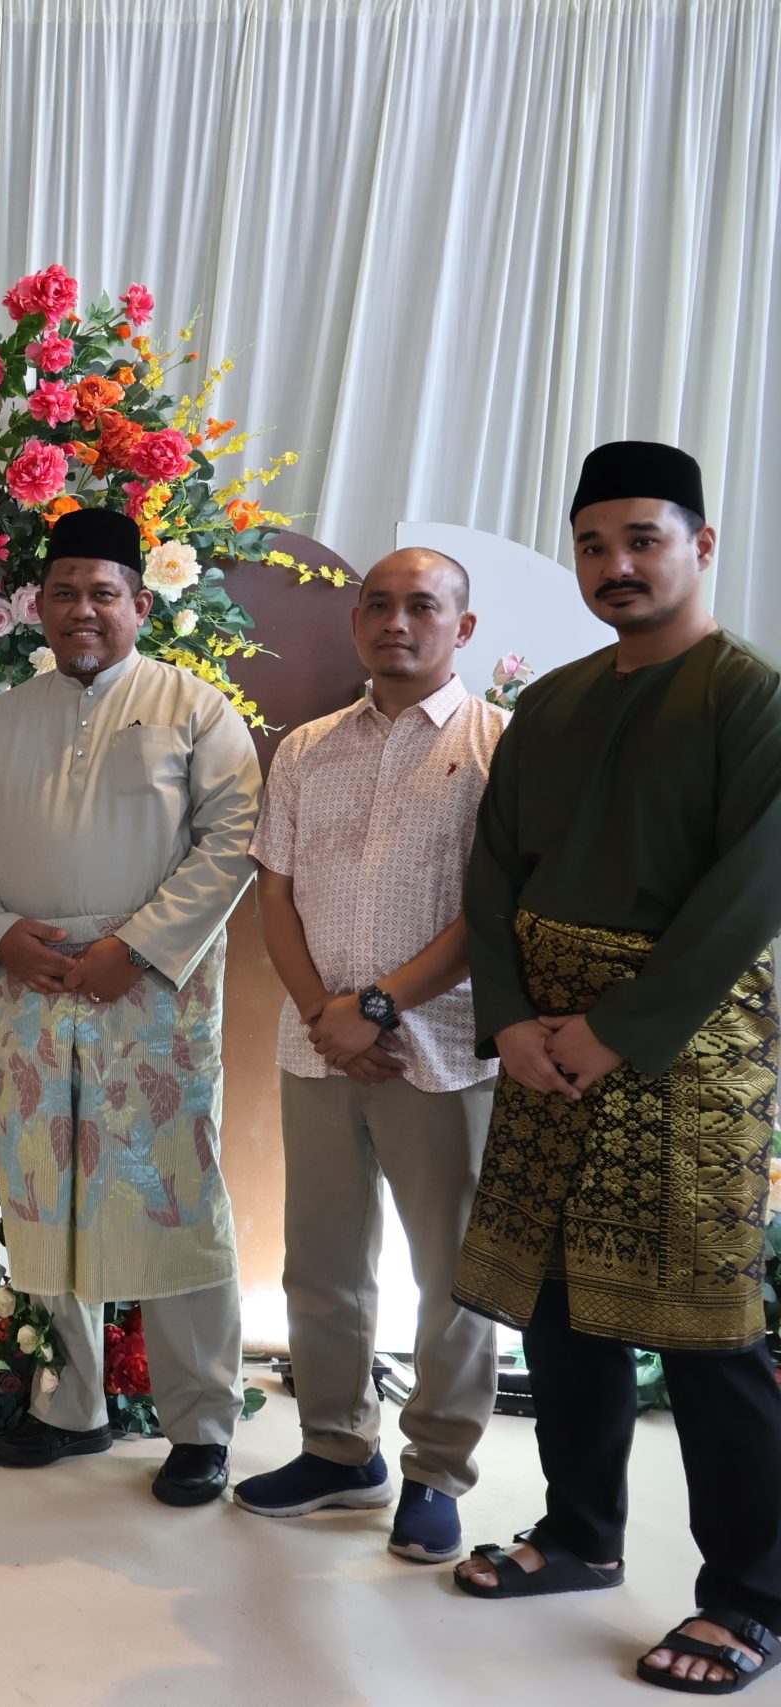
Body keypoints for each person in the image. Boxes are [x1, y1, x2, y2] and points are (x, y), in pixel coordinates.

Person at [450, 441, 781, 1695]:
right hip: (543, 1042)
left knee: (701, 1326)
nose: (615, 566)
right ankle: (581, 1532)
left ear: (701, 545)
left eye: (643, 539)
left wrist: (618, 1028)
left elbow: (747, 896)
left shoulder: (750, 698)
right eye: (593, 545)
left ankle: (752, 1595)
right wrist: (510, 1018)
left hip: (682, 1050)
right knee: (557, 1298)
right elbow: (492, 871)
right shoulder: (552, 703)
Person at [0, 506, 261, 1506]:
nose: (82, 610)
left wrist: (140, 947)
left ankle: (200, 1424)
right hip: (33, 990)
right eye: (63, 592)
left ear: (140, 604)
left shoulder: (195, 709)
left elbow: (233, 837)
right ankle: (71, 1405)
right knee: (46, 1193)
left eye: (102, 593)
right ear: (36, 605)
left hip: (151, 997)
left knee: (172, 1196)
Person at [235, 548, 505, 1565]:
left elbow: (494, 910)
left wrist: (380, 1009)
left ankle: (436, 1469)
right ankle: (338, 1449)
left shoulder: (496, 746)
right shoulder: (306, 749)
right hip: (317, 1051)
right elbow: (273, 891)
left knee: (453, 1275)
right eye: (378, 605)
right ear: (355, 622)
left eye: (421, 606)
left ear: (461, 628)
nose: (397, 622)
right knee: (321, 1262)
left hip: (442, 1051)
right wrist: (325, 1016)